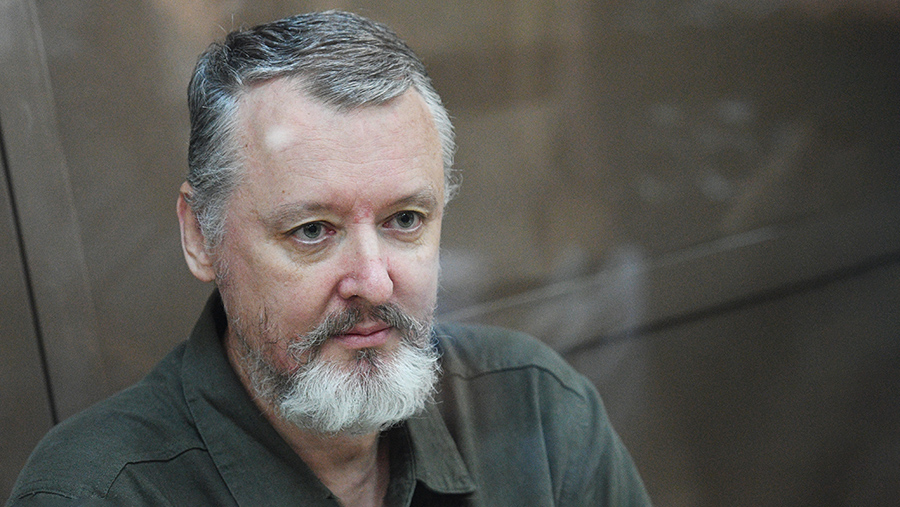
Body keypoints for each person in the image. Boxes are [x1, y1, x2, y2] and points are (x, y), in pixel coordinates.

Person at [7, 11, 651, 507]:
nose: (374, 282)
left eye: (405, 220)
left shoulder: (536, 407)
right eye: (312, 231)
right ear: (200, 236)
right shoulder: (96, 493)